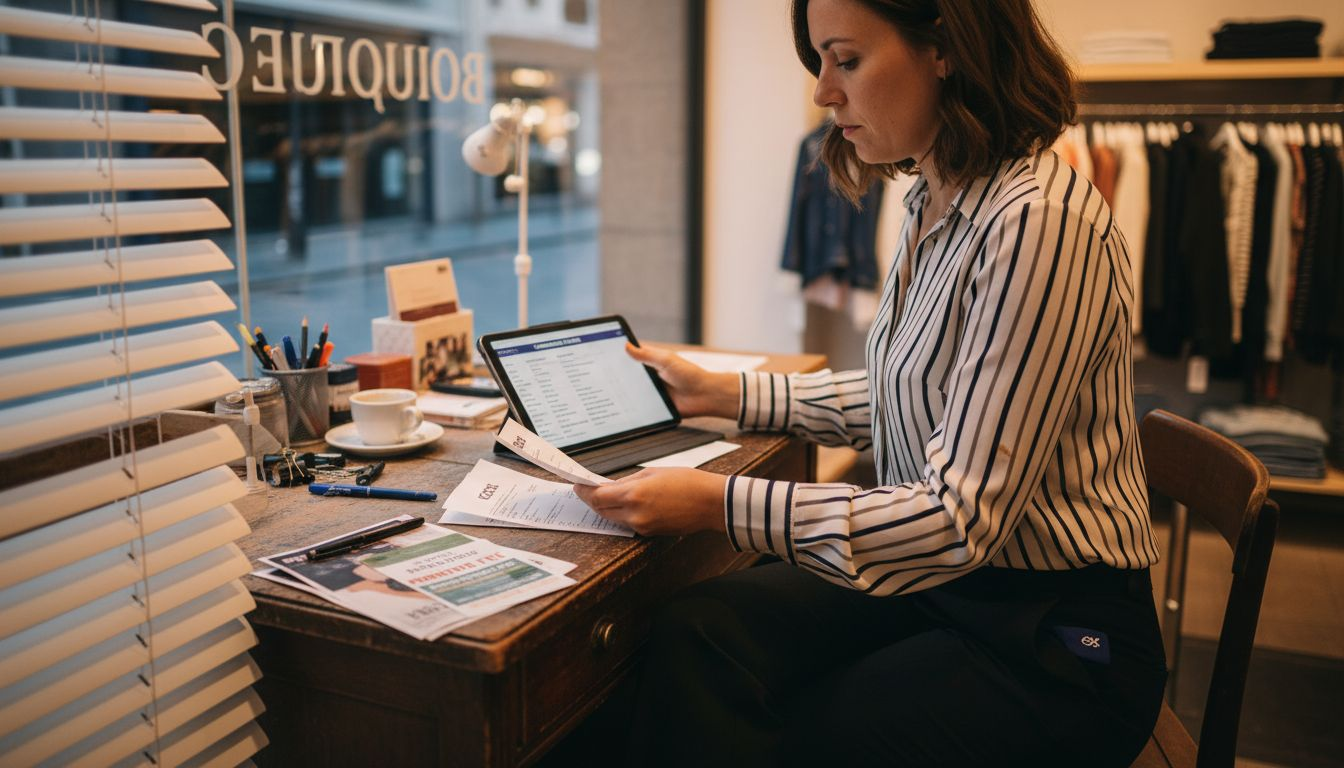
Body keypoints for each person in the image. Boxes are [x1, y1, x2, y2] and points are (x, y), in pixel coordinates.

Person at [572, 0, 1167, 765]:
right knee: (701, 631)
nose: (824, 90)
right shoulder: (935, 195)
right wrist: (723, 393)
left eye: (846, 60)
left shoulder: (1038, 224)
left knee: (792, 729)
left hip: (1052, 639)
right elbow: (913, 394)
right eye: (821, 61)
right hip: (953, 586)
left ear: (944, 47)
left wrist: (718, 504)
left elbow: (958, 519)